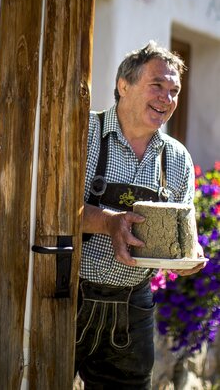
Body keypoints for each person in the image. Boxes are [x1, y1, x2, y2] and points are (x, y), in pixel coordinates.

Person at [75, 41, 206, 389]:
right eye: (157, 85)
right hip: (67, 294)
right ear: (123, 85)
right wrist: (108, 222)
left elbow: (186, 233)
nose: (167, 98)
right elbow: (48, 210)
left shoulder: (177, 159)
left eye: (174, 91)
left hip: (133, 304)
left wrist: (189, 257)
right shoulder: (82, 133)